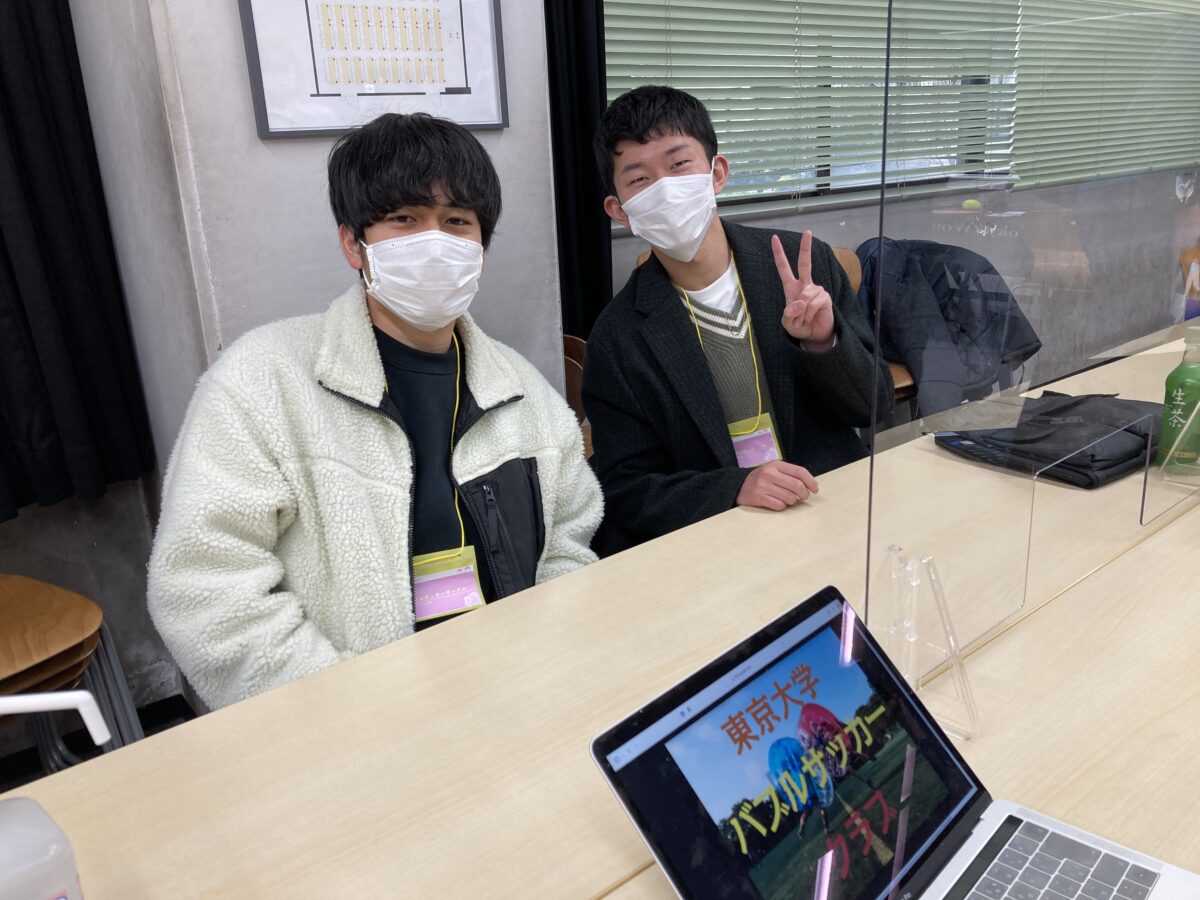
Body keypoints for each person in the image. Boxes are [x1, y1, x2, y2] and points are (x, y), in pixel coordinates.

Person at [148, 113, 602, 709]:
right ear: (352, 244)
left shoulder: (522, 388)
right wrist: (354, 710)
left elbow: (570, 535)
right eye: (404, 219)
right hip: (352, 720)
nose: (434, 241)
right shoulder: (261, 381)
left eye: (456, 221)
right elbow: (204, 586)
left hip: (517, 693)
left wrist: (542, 664)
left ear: (481, 247)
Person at [582, 85, 893, 555]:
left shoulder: (802, 267)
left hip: (831, 509)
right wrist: (734, 488)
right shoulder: (617, 337)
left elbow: (874, 407)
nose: (664, 188)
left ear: (717, 173)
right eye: (640, 179)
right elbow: (626, 488)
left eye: (679, 164)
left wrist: (824, 343)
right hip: (722, 540)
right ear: (619, 210)